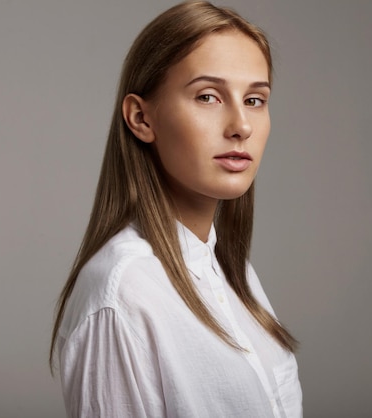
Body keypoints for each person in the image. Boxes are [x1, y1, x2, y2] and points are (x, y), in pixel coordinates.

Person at [50, 1, 302, 417]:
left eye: (255, 99)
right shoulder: (124, 294)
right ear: (141, 118)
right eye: (208, 96)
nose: (241, 125)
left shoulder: (232, 275)